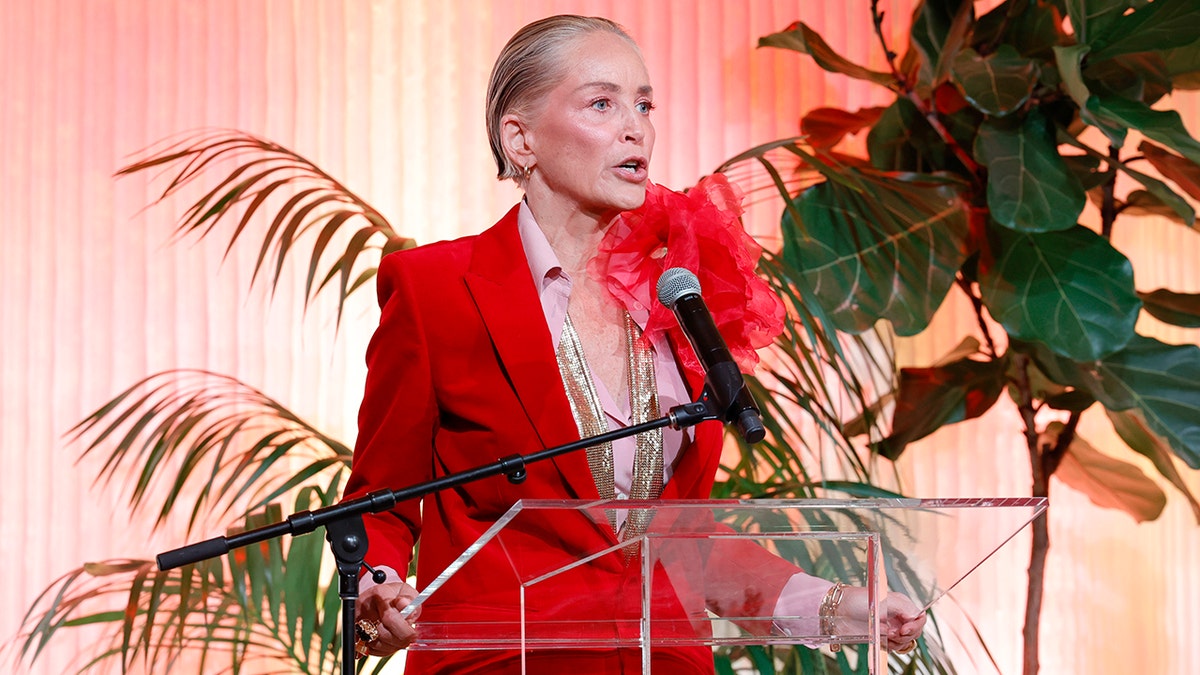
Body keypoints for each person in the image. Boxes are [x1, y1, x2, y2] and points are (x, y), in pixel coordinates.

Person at [342, 14, 926, 674]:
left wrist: (846, 607)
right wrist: (374, 588)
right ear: (520, 137)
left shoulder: (681, 298)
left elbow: (684, 542)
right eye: (602, 102)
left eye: (644, 104)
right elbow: (377, 505)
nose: (636, 127)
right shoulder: (437, 291)